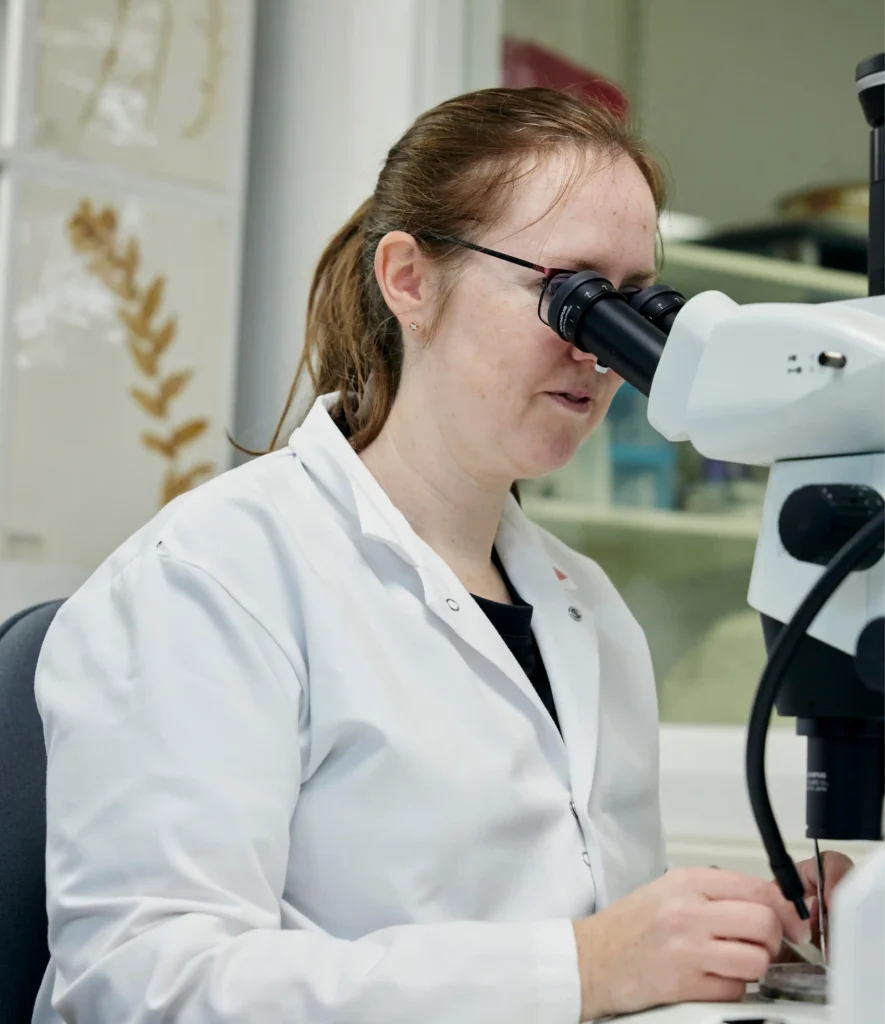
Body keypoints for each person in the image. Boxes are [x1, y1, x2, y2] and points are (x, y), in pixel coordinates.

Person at [33, 87, 851, 1024]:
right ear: (410, 281)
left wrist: (732, 934)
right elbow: (140, 987)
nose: (603, 354)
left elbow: (572, 930)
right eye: (573, 297)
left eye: (632, 304)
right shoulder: (211, 579)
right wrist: (584, 966)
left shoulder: (585, 604)